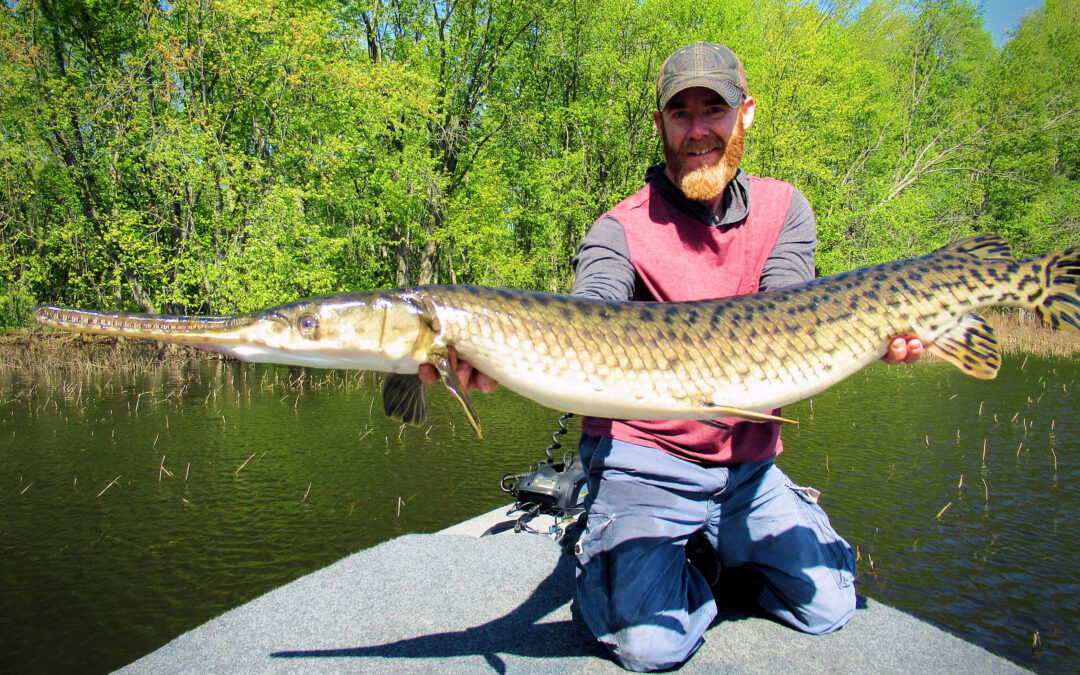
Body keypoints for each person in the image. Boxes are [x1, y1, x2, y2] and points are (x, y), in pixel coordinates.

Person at [421, 41, 922, 672]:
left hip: (745, 468)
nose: (698, 130)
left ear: (746, 115)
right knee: (650, 645)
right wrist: (487, 357)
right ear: (660, 126)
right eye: (680, 114)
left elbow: (791, 312)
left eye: (714, 109)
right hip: (645, 462)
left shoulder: (784, 208)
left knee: (827, 605)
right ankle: (620, 542)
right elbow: (587, 313)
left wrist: (881, 335)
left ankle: (711, 550)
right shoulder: (619, 228)